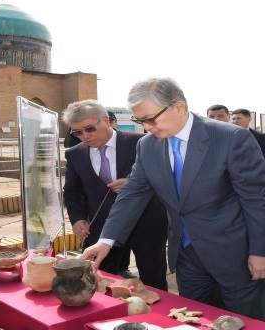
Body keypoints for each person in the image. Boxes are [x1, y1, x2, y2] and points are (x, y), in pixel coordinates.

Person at [82, 78, 265, 320]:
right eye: (140, 121)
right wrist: (106, 241)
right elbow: (132, 194)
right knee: (194, 320)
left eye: (151, 119)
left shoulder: (230, 138)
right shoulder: (147, 146)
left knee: (243, 320)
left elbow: (256, 199)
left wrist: (260, 251)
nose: (147, 128)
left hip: (234, 255)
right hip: (186, 257)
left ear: (178, 107)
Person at [63, 100, 168, 289]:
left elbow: (167, 178)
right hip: (102, 228)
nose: (85, 136)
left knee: (154, 280)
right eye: (77, 132)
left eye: (89, 129)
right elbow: (72, 191)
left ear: (106, 120)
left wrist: (135, 183)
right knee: (101, 280)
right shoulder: (74, 154)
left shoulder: (141, 143)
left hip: (146, 222)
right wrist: (77, 219)